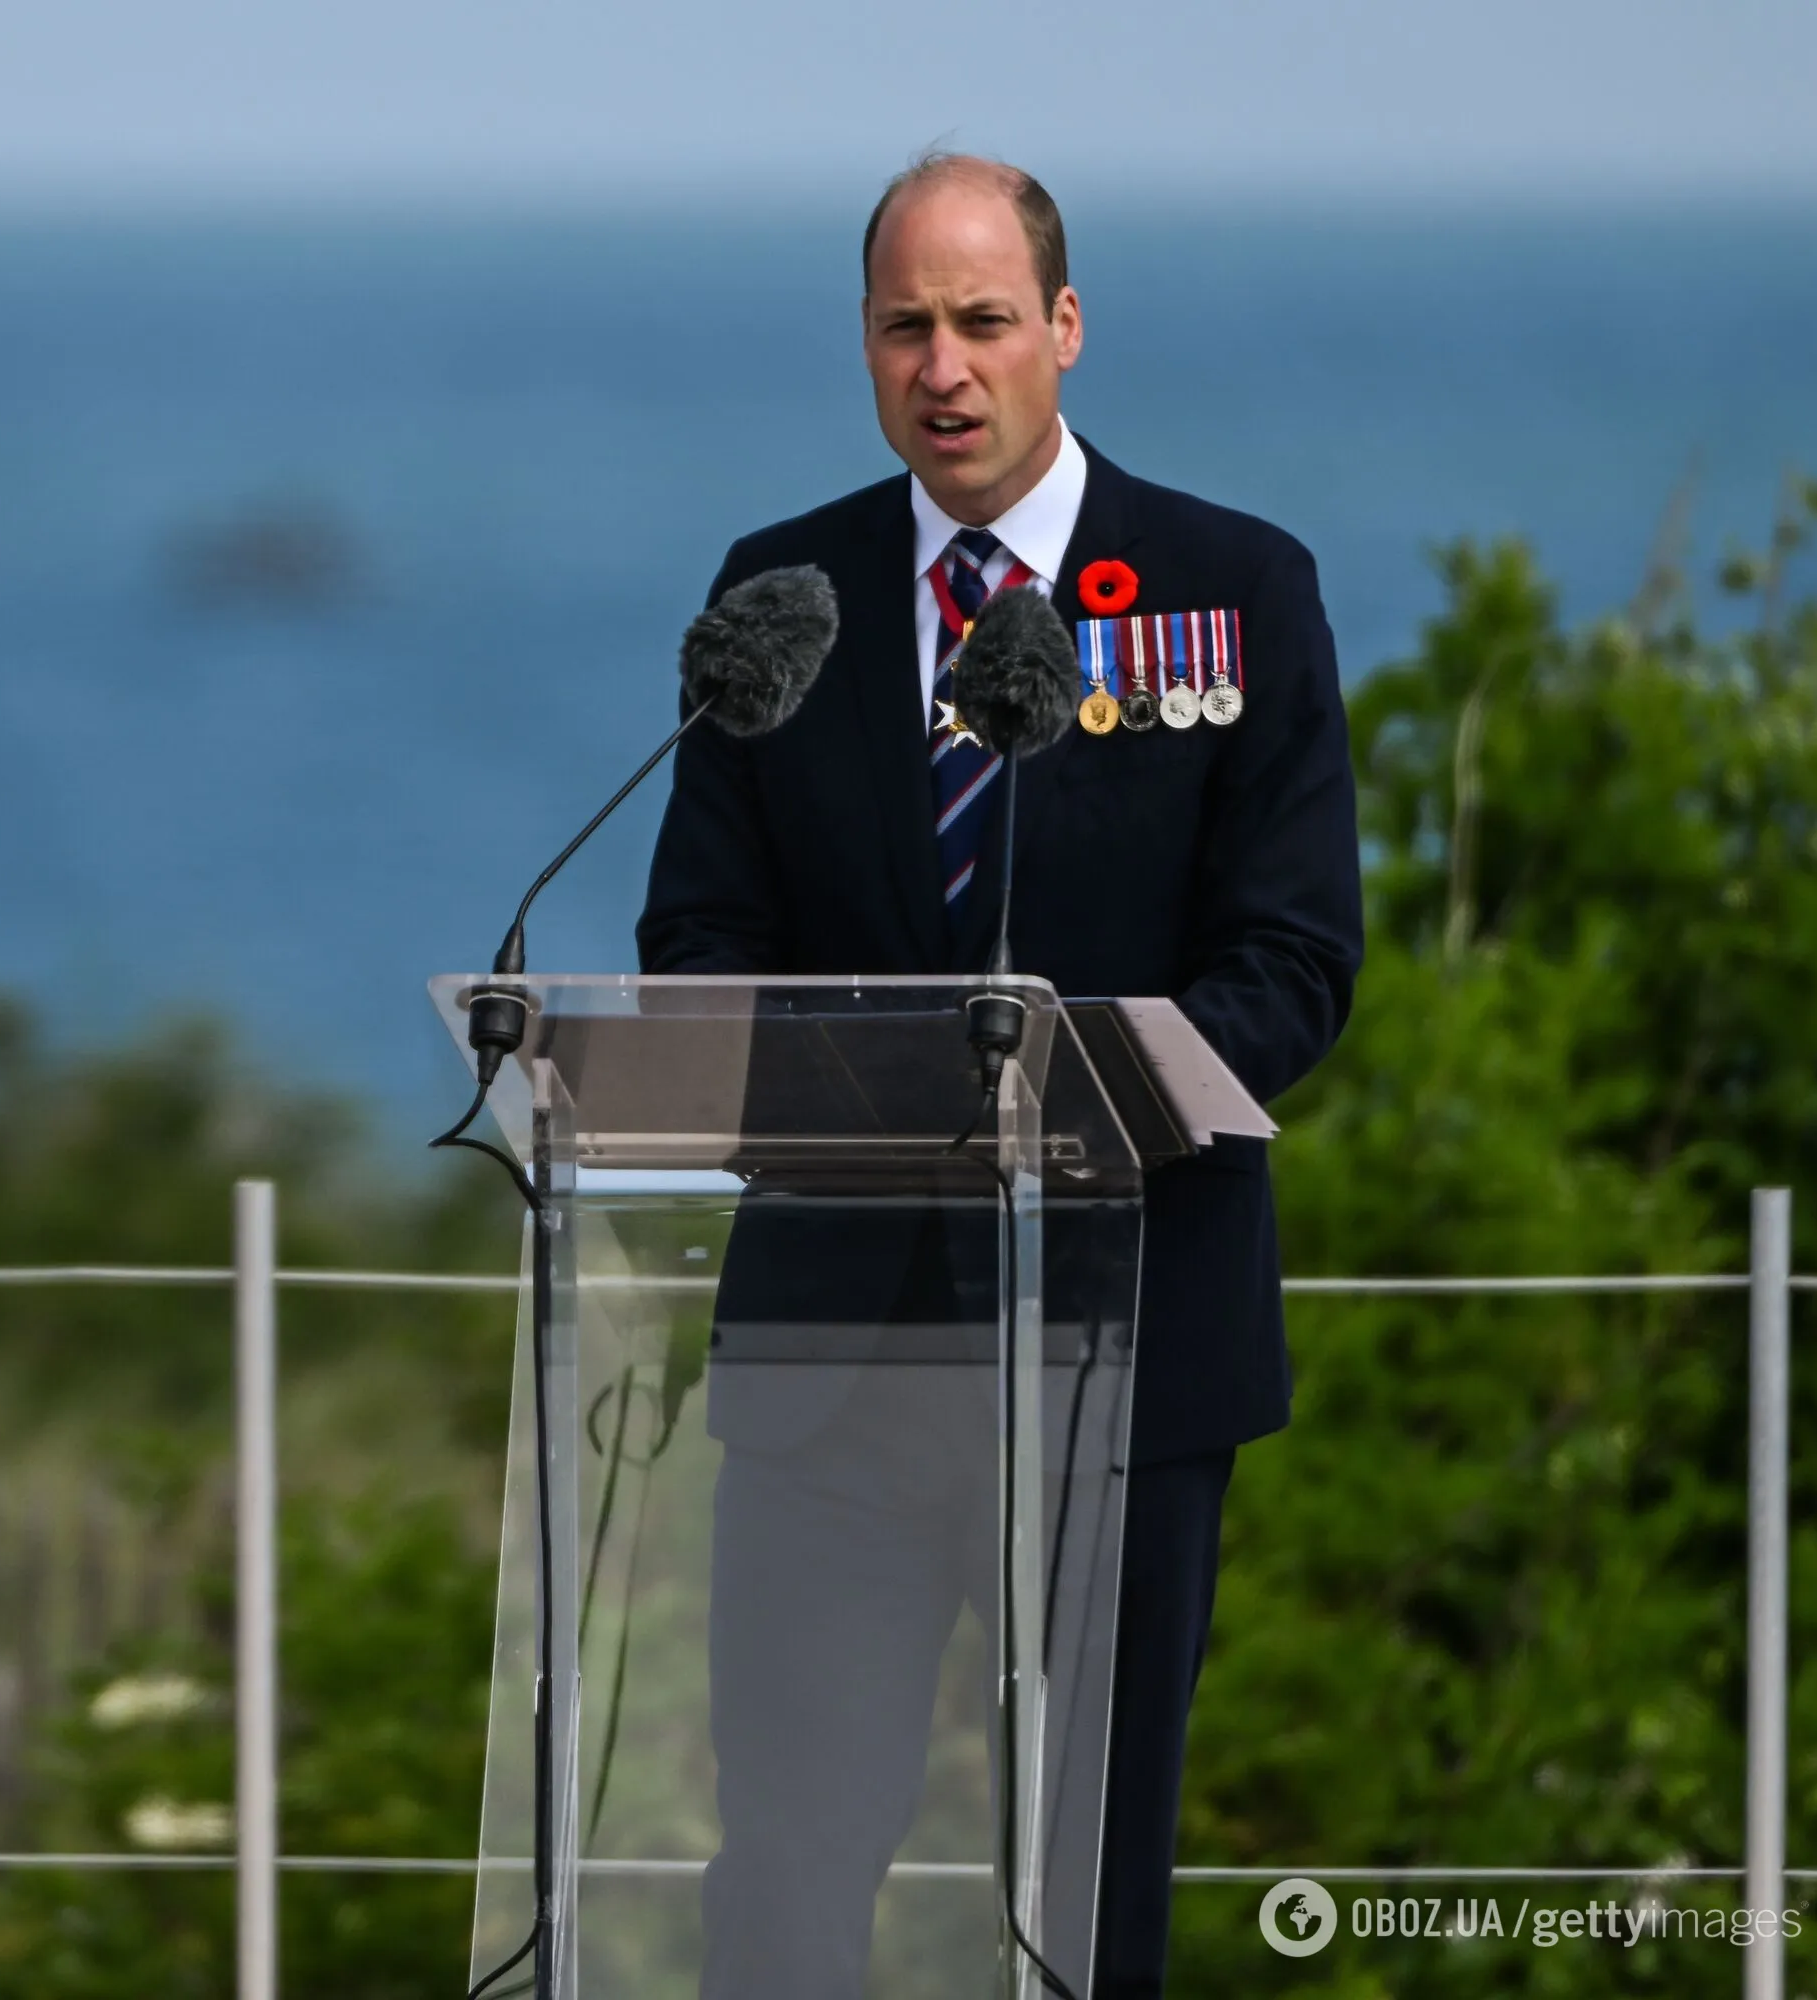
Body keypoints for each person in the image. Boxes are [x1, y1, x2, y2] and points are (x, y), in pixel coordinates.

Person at [638, 153, 1363, 2000]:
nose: (942, 368)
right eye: (904, 327)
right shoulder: (775, 595)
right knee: (791, 1873)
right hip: (836, 1367)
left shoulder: (1232, 590)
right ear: (866, 350)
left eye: (980, 322)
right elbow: (695, 950)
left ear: (1062, 328)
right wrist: (866, 1109)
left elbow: (1291, 963)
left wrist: (1076, 1115)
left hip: (1123, 1350)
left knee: (1087, 1889)